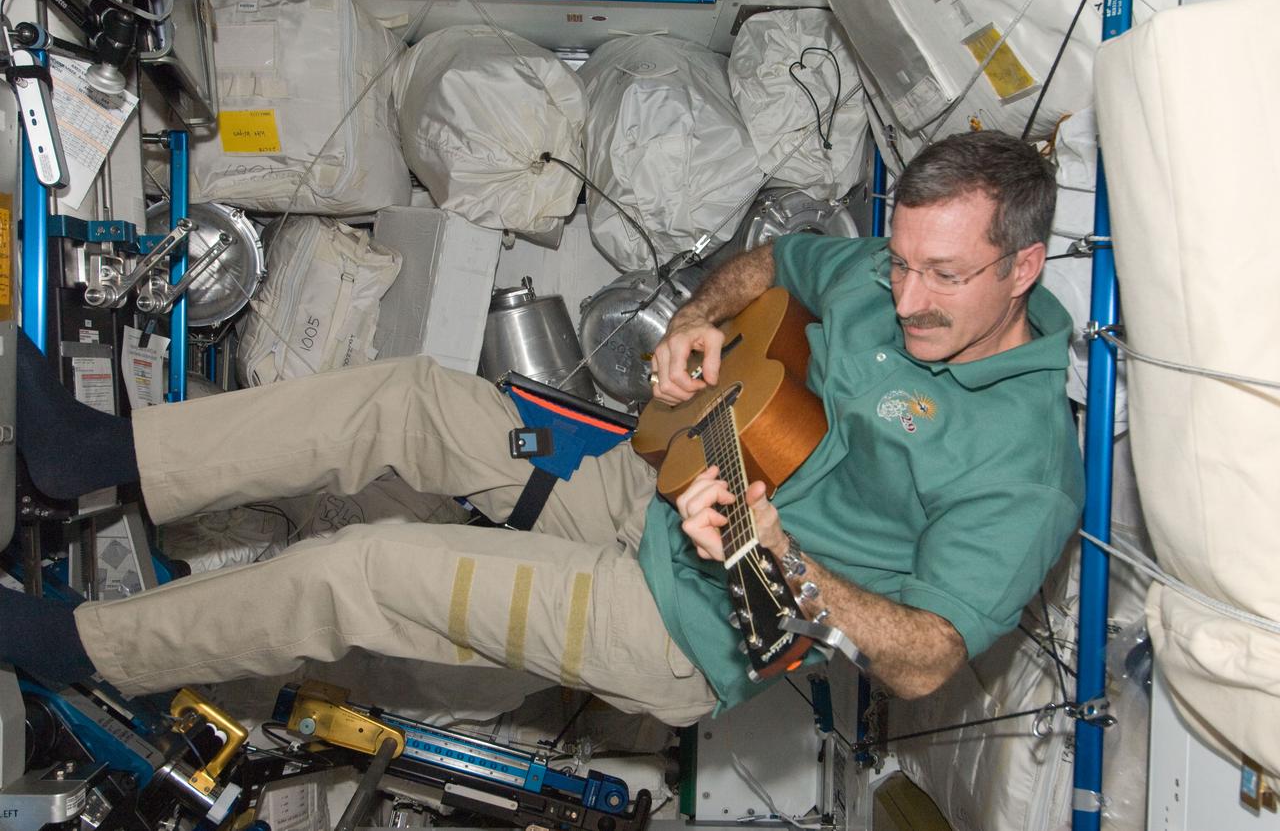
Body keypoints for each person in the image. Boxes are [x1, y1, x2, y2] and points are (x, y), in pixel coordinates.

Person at [4, 130, 1083, 727]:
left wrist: (793, 564)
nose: (903, 296)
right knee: (405, 397)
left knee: (361, 570)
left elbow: (928, 658)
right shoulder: (877, 274)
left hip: (677, 619)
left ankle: (81, 649)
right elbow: (778, 265)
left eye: (942, 276)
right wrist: (698, 324)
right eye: (898, 262)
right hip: (640, 482)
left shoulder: (1024, 464)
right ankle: (98, 454)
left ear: (1023, 268)